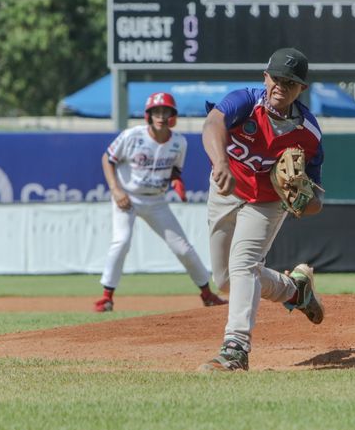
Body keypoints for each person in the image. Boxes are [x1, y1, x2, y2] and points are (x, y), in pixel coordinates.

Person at [198, 47, 325, 371]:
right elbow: (212, 125)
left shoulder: (308, 133)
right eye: (277, 78)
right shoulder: (244, 101)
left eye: (291, 82)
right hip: (226, 187)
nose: (281, 86)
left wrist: (300, 201)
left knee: (244, 264)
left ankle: (235, 349)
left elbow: (316, 202)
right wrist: (221, 162)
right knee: (225, 280)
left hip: (268, 202)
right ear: (265, 77)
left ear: (301, 89)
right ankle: (294, 291)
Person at [95, 92, 227, 312]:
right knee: (122, 241)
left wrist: (177, 182)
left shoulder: (179, 142)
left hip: (156, 200)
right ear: (149, 115)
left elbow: (175, 170)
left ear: (172, 116)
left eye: (166, 111)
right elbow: (107, 159)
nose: (161, 116)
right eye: (156, 111)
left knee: (183, 248)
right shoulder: (132, 136)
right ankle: (106, 297)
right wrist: (116, 190)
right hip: (128, 197)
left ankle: (207, 294)